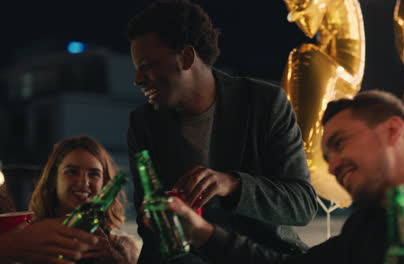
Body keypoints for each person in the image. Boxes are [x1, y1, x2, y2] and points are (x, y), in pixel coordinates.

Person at [167, 90, 404, 264]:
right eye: (327, 158)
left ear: (392, 130)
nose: (333, 165)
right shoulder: (363, 228)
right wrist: (202, 233)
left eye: (339, 144)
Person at [126, 0, 317, 262]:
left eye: (146, 65)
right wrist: (153, 217)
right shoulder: (143, 122)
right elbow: (145, 218)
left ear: (186, 57)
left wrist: (232, 185)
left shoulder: (263, 103)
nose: (137, 79)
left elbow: (302, 205)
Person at [29, 136, 140, 264]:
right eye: (72, 172)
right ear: (54, 179)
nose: (84, 182)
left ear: (105, 184)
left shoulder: (121, 251)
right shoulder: (31, 243)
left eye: (93, 174)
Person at [0, 217, 98, 264]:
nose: (84, 182)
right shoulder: (34, 234)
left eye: (94, 175)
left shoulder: (107, 236)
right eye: (72, 174)